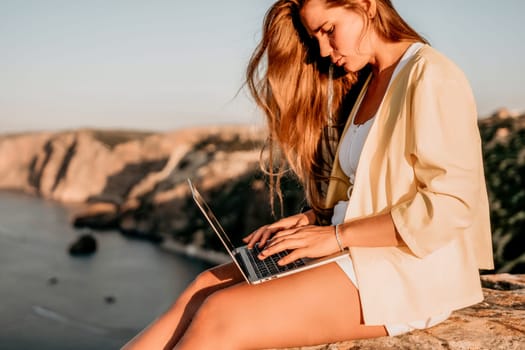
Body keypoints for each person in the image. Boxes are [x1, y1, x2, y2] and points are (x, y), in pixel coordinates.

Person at [122, 0, 494, 348]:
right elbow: (366, 189)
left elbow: (451, 205)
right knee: (204, 285)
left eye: (328, 29)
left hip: (409, 269)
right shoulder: (370, 82)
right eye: (315, 35)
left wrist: (336, 235)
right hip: (358, 249)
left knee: (222, 312)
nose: (322, 49)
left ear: (365, 5)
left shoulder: (430, 74)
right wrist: (311, 220)